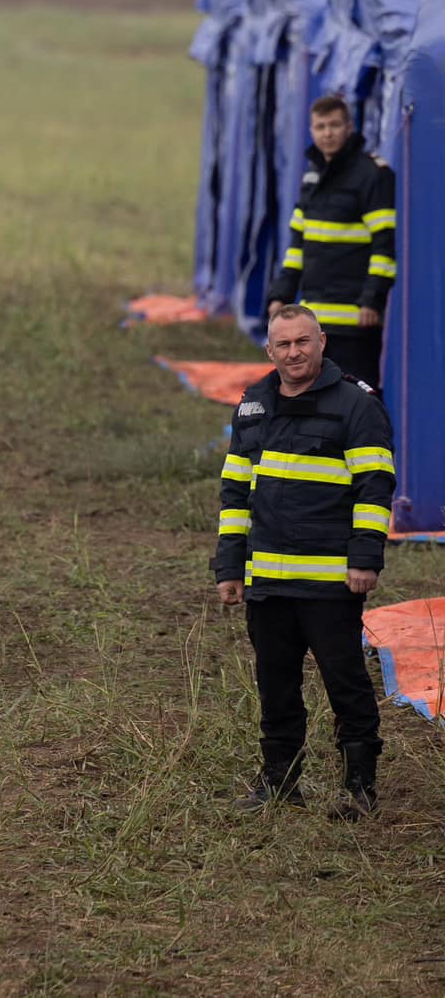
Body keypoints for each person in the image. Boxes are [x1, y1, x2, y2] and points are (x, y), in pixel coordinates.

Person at [213, 304, 393, 818]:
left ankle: (360, 786)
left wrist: (365, 560)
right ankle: (279, 782)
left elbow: (374, 489)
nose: (294, 352)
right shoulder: (252, 405)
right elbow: (235, 494)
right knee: (275, 682)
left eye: (303, 342)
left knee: (346, 682)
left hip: (331, 581)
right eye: (283, 344)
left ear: (322, 343)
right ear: (270, 351)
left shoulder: (357, 407)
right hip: (267, 580)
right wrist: (229, 568)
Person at [265, 95, 396, 387]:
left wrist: (372, 301)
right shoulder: (312, 175)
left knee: (360, 399)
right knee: (320, 402)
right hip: (315, 321)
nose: (327, 133)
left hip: (355, 320)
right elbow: (298, 247)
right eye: (320, 126)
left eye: (334, 125)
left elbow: (384, 245)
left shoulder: (373, 175)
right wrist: (280, 295)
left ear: (349, 127)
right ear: (311, 130)